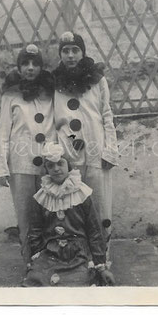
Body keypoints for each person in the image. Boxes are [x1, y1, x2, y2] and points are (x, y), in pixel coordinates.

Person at [52, 31, 118, 247]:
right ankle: (80, 261)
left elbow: (106, 115)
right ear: (60, 54)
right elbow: (57, 120)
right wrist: (68, 139)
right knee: (73, 206)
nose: (70, 55)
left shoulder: (97, 80)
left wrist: (110, 150)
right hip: (68, 149)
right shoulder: (55, 83)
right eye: (66, 51)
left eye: (75, 50)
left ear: (82, 52)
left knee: (99, 204)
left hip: (96, 148)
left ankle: (103, 258)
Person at [0, 44, 56, 260]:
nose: (30, 68)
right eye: (25, 64)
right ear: (19, 68)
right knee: (26, 217)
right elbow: (3, 132)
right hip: (21, 164)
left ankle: (50, 263)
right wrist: (1, 167)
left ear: (41, 67)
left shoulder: (50, 93)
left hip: (49, 164)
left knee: (50, 214)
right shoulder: (10, 96)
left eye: (35, 64)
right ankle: (30, 263)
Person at [22, 142, 115, 287]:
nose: (56, 169)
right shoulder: (41, 197)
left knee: (79, 282)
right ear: (46, 169)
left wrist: (100, 265)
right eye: (50, 166)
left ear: (68, 166)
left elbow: (94, 231)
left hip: (78, 252)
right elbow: (35, 231)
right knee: (37, 280)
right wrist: (37, 256)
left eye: (60, 163)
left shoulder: (82, 193)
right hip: (50, 252)